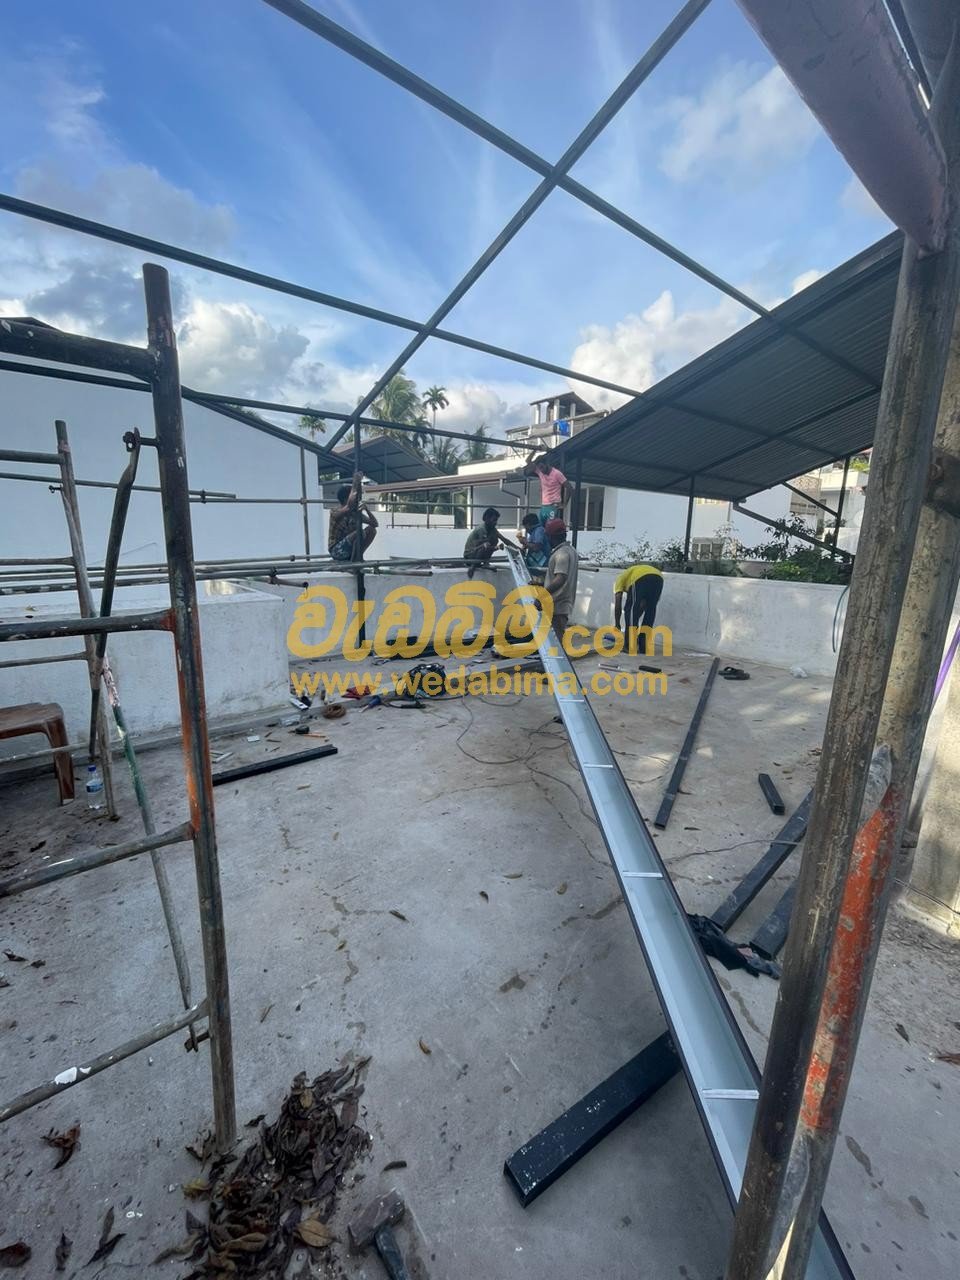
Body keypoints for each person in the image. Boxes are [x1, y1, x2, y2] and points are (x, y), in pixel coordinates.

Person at [614, 563, 664, 655]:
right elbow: (643, 605)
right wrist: (635, 617)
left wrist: (617, 624)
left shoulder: (620, 580)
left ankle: (629, 646)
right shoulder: (634, 572)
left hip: (640, 578)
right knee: (651, 610)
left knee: (630, 609)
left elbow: (618, 604)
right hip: (658, 578)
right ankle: (644, 647)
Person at [328, 471, 378, 562]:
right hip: (337, 551)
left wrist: (367, 510)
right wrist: (355, 483)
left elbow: (375, 524)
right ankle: (354, 560)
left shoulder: (355, 513)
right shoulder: (335, 511)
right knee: (359, 532)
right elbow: (349, 506)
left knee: (371, 530)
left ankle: (357, 557)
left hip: (350, 551)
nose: (356, 500)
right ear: (345, 499)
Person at [543, 517, 579, 640]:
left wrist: (542, 596)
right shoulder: (571, 551)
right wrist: (540, 583)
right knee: (556, 642)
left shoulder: (561, 554)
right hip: (562, 605)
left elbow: (560, 579)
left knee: (557, 644)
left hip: (557, 605)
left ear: (552, 537)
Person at [525, 455, 567, 522]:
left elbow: (569, 487)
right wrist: (535, 450)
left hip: (554, 505)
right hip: (544, 505)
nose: (541, 470)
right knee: (542, 525)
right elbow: (528, 461)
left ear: (546, 464)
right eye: (539, 468)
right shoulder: (539, 471)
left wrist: (564, 503)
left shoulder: (557, 473)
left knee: (551, 525)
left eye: (542, 467)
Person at [463, 507, 502, 578]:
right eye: (494, 520)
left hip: (478, 552)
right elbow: (484, 547)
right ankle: (473, 567)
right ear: (487, 519)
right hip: (470, 555)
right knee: (486, 544)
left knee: (494, 539)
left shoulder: (493, 529)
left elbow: (504, 539)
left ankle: (485, 563)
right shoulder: (481, 529)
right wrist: (497, 547)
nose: (495, 523)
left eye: (496, 520)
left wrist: (517, 548)